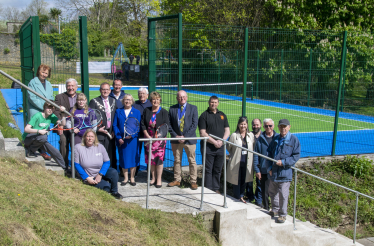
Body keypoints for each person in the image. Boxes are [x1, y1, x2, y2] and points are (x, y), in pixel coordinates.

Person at [267, 119, 300, 223]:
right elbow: (269, 153)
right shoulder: (276, 138)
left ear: (289, 127)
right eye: (281, 126)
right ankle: (275, 210)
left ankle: (282, 215)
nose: (283, 128)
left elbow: (296, 156)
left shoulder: (294, 140)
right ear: (278, 127)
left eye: (285, 126)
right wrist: (269, 168)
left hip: (285, 173)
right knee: (272, 192)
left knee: (283, 195)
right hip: (274, 172)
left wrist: (284, 162)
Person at [74, 129, 123, 199]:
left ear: (95, 138)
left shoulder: (100, 146)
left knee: (114, 172)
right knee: (106, 188)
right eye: (88, 136)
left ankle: (114, 192)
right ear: (84, 137)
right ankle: (91, 183)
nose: (90, 138)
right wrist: (87, 178)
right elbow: (76, 164)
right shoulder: (78, 147)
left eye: (92, 136)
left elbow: (107, 162)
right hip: (89, 176)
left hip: (99, 173)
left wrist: (100, 174)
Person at [198, 95, 230, 194]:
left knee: (218, 169)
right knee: (208, 169)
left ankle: (216, 188)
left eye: (215, 102)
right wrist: (215, 142)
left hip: (220, 147)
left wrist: (222, 140)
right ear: (209, 102)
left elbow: (227, 130)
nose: (214, 104)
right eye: (212, 102)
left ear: (218, 103)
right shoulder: (204, 115)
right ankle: (208, 190)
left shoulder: (222, 115)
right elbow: (202, 133)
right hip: (208, 147)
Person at [167, 90, 199, 190]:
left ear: (187, 97)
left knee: (192, 160)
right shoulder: (172, 109)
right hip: (176, 139)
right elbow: (169, 124)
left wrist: (185, 137)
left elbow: (194, 125)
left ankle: (193, 181)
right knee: (177, 160)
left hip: (189, 139)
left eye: (184, 96)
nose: (182, 98)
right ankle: (177, 180)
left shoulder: (193, 108)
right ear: (177, 98)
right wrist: (176, 136)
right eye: (180, 97)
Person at [23, 102, 67, 171]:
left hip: (40, 139)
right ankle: (30, 150)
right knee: (44, 137)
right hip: (28, 138)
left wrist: (63, 113)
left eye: (53, 109)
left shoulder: (51, 116)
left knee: (56, 152)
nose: (50, 110)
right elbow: (26, 129)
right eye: (49, 107)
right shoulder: (37, 115)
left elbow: (63, 123)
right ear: (44, 107)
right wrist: (39, 131)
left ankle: (64, 168)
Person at [141, 91, 169, 188]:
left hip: (159, 140)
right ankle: (153, 178)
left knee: (159, 160)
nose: (155, 101)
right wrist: (147, 136)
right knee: (151, 160)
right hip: (148, 139)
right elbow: (142, 124)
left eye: (157, 99)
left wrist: (157, 136)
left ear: (160, 100)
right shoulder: (146, 110)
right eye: (153, 99)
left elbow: (166, 126)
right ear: (151, 101)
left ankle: (159, 179)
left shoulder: (164, 112)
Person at [27, 64, 55, 160]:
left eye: (46, 73)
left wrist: (48, 107)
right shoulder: (32, 83)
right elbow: (32, 98)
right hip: (36, 110)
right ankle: (34, 149)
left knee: (44, 131)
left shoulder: (48, 84)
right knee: (36, 131)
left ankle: (41, 150)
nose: (44, 74)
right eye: (42, 72)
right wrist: (44, 107)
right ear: (39, 71)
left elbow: (51, 97)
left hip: (46, 112)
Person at [113, 94, 141, 186]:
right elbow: (115, 125)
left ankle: (132, 178)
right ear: (123, 101)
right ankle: (125, 178)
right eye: (125, 99)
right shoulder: (118, 111)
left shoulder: (136, 112)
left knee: (133, 158)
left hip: (133, 140)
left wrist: (132, 135)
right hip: (122, 140)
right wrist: (119, 137)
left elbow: (138, 126)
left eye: (129, 100)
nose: (127, 101)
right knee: (123, 158)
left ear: (132, 101)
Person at [89, 82, 117, 170]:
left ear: (110, 90)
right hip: (99, 133)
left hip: (110, 132)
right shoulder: (94, 101)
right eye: (103, 89)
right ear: (100, 90)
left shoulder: (113, 101)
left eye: (107, 89)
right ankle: (99, 173)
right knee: (99, 154)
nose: (105, 91)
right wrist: (97, 129)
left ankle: (111, 172)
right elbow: (90, 119)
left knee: (111, 154)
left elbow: (115, 116)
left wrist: (113, 130)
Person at [227, 117, 255, 203]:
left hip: (247, 161)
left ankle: (242, 195)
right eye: (241, 124)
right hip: (237, 161)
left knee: (244, 179)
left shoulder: (251, 135)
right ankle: (237, 196)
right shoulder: (234, 135)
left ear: (247, 125)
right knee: (236, 179)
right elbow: (229, 148)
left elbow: (253, 147)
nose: (243, 126)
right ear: (238, 125)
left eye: (244, 124)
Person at [253, 118, 279, 211]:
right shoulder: (260, 139)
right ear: (263, 127)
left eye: (270, 126)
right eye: (266, 126)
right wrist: (257, 169)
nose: (268, 127)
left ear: (273, 126)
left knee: (275, 191)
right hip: (264, 169)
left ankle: (275, 209)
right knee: (264, 191)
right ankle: (266, 208)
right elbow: (256, 155)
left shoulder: (278, 138)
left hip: (275, 170)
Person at [54, 78, 78, 166]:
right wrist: (59, 123)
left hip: (76, 126)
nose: (70, 88)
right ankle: (64, 165)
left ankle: (75, 166)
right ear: (66, 87)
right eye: (68, 86)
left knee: (76, 145)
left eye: (72, 86)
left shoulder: (80, 97)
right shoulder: (59, 97)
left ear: (76, 87)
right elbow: (56, 111)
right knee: (63, 142)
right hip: (63, 126)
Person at [133, 87, 152, 176]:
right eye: (140, 93)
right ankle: (135, 172)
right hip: (137, 133)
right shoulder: (134, 104)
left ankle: (150, 172)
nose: (141, 95)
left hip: (148, 133)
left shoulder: (151, 104)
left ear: (147, 95)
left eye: (143, 93)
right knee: (136, 152)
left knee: (149, 152)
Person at [246, 118, 263, 206]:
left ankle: (258, 199)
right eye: (254, 125)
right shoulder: (249, 135)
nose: (255, 126)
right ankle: (250, 196)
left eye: (257, 125)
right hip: (249, 161)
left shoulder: (264, 136)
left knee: (259, 181)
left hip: (260, 162)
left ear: (260, 125)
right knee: (249, 180)